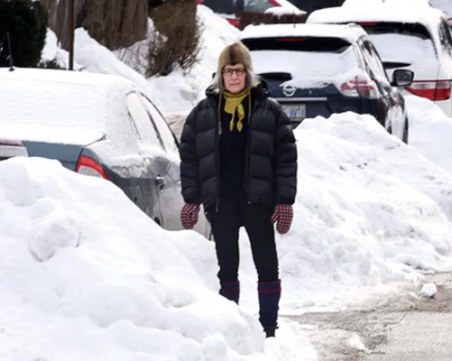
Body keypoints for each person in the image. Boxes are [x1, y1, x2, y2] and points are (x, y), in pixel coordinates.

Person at [179, 41, 297, 338]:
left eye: (239, 71)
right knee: (227, 268)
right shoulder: (203, 114)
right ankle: (230, 329)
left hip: (259, 202)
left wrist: (284, 201)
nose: (234, 77)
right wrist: (191, 198)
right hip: (221, 205)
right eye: (228, 71)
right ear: (220, 75)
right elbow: (190, 157)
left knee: (267, 266)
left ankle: (268, 328)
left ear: (248, 74)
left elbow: (286, 158)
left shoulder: (269, 112)